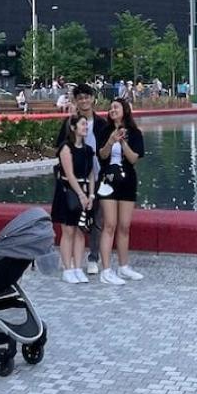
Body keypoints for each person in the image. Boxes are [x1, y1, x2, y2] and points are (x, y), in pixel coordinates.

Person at [56, 82, 111, 276]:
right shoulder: (69, 123)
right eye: (80, 98)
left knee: (96, 218)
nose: (84, 101)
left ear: (93, 99)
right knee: (71, 220)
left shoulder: (103, 124)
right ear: (76, 101)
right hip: (72, 180)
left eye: (87, 97)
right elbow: (61, 147)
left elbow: (107, 152)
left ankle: (93, 257)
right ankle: (69, 259)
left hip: (96, 177)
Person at [95, 97, 145, 284]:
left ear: (124, 110)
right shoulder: (105, 130)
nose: (112, 110)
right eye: (110, 108)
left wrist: (123, 142)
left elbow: (133, 159)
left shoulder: (135, 133)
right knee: (110, 224)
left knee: (124, 226)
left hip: (128, 181)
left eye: (115, 107)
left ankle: (124, 266)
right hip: (108, 180)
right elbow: (102, 155)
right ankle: (106, 270)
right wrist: (110, 140)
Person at [52, 115, 96, 284]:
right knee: (68, 231)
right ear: (73, 127)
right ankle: (67, 268)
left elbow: (91, 173)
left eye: (86, 124)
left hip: (84, 191)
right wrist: (81, 195)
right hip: (68, 192)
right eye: (83, 124)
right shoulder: (66, 148)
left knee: (80, 231)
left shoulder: (87, 149)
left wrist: (91, 195)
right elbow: (69, 174)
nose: (86, 127)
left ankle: (78, 267)